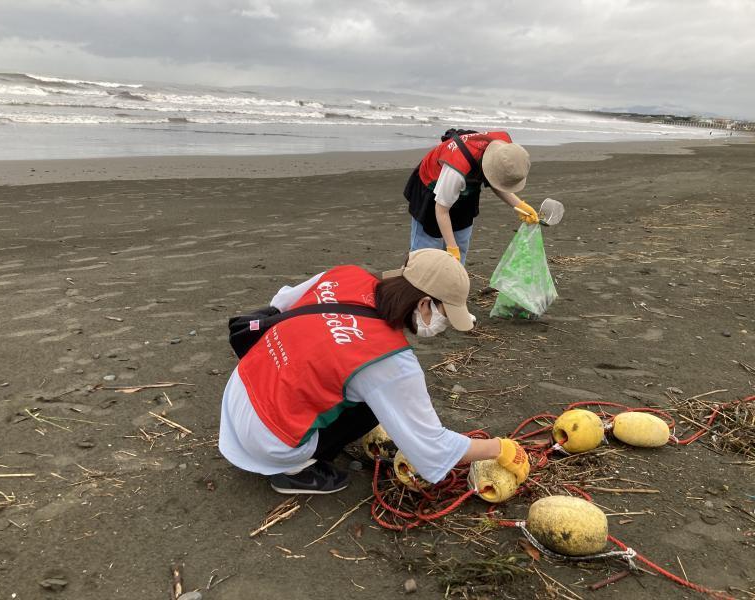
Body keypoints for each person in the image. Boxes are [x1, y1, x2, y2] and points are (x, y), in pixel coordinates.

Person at [218, 249, 530, 494]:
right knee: (372, 407)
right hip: (268, 439)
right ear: (424, 304)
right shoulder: (391, 362)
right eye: (445, 316)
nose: (444, 326)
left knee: (355, 384)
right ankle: (294, 472)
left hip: (239, 391)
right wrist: (500, 448)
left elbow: (281, 303)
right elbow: (432, 450)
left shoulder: (344, 275)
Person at [404, 129, 539, 264]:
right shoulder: (456, 171)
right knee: (427, 249)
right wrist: (452, 247)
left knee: (460, 242)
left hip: (466, 191)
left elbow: (496, 180)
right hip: (432, 188)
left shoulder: (506, 151)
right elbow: (441, 210)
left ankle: (454, 275)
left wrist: (520, 206)